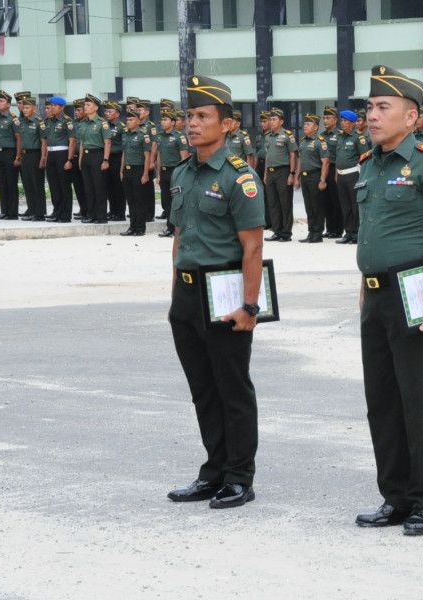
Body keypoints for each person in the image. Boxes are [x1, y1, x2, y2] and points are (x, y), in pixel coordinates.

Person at [354, 65, 423, 536]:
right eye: (370, 108)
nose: (372, 116)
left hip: (415, 292)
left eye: (383, 108)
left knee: (419, 401)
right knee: (382, 400)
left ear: (412, 116)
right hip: (375, 295)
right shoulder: (368, 164)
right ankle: (394, 497)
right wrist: (363, 292)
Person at [166, 74, 265, 510]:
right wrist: (174, 295)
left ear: (227, 125)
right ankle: (213, 471)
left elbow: (253, 246)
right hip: (187, 295)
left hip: (223, 292)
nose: (192, 123)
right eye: (189, 115)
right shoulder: (182, 173)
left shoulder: (239, 178)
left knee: (232, 388)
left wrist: (249, 305)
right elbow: (179, 235)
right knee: (203, 389)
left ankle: (239, 477)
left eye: (203, 116)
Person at [334, 109, 370, 244]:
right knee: (345, 206)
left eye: (345, 121)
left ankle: (356, 233)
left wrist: (363, 177)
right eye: (342, 120)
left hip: (354, 175)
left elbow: (365, 158)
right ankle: (348, 232)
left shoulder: (358, 138)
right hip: (342, 176)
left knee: (355, 206)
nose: (342, 123)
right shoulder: (340, 137)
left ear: (353, 123)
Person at [262, 107, 297, 243]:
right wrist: (265, 174)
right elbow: (267, 157)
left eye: (274, 119)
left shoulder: (287, 135)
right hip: (270, 172)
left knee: (285, 203)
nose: (271, 122)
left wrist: (292, 173)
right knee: (273, 203)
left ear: (281, 121)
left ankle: (286, 233)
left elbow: (293, 155)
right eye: (270, 119)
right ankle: (276, 231)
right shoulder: (268, 137)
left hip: (283, 171)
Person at [295, 113, 330, 243]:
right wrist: (296, 178)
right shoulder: (303, 141)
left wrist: (322, 180)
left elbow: (325, 162)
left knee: (317, 207)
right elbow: (300, 161)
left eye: (308, 124)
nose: (305, 126)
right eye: (304, 124)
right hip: (304, 177)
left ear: (315, 127)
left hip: (315, 176)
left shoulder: (320, 142)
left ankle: (318, 233)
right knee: (308, 206)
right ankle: (311, 232)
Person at [78, 94, 112, 224]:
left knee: (99, 187)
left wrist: (105, 160)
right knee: (88, 187)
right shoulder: (84, 123)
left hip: (97, 155)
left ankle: (101, 216)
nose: (85, 107)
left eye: (88, 105)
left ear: (96, 107)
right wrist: (81, 158)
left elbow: (107, 142)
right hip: (86, 156)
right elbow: (82, 142)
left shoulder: (102, 123)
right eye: (85, 105)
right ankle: (91, 215)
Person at [156, 110, 190, 237]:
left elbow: (184, 157)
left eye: (165, 120)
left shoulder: (179, 137)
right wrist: (158, 175)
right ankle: (170, 227)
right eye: (162, 120)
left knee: (176, 201)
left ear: (173, 122)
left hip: (175, 171)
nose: (163, 123)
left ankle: (174, 228)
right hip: (164, 172)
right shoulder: (160, 136)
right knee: (165, 201)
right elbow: (159, 156)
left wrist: (182, 175)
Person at [43, 96, 76, 223]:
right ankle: (57, 212)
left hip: (62, 154)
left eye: (55, 106)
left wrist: (69, 159)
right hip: (51, 154)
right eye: (51, 106)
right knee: (54, 185)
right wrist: (45, 157)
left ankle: (66, 214)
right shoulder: (49, 121)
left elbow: (72, 141)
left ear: (62, 107)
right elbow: (46, 141)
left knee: (64, 185)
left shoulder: (67, 121)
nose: (52, 108)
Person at [120, 108, 151, 236]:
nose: (128, 122)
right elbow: (123, 154)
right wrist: (121, 170)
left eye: (131, 119)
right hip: (127, 170)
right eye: (127, 119)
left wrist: (145, 174)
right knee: (130, 200)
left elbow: (147, 156)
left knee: (139, 200)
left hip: (138, 169)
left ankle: (140, 227)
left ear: (138, 121)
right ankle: (132, 226)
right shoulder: (125, 134)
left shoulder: (143, 135)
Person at [16, 96, 48, 221]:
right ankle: (32, 210)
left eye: (27, 107)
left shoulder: (39, 122)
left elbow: (44, 141)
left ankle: (39, 213)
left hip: (36, 154)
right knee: (28, 184)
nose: (25, 110)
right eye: (23, 108)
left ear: (34, 108)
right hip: (25, 155)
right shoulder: (22, 122)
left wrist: (43, 157)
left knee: (37, 184)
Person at [0, 91, 22, 220]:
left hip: (11, 152)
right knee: (2, 183)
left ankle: (13, 212)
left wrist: (18, 157)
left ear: (8, 104)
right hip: (0, 152)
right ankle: (4, 211)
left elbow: (19, 139)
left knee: (11, 183)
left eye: (1, 101)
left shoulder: (13, 119)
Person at [321, 106, 344, 238]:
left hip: (335, 168)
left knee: (336, 200)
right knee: (326, 201)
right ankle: (329, 228)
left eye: (328, 118)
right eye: (324, 118)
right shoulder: (322, 136)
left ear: (335, 120)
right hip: (324, 169)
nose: (325, 121)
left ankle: (338, 229)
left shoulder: (340, 135)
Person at [103, 101, 127, 221]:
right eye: (106, 111)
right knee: (109, 186)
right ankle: (112, 210)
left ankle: (120, 213)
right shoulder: (104, 126)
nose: (107, 114)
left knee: (118, 187)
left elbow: (124, 147)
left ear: (117, 114)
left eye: (110, 111)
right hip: (106, 158)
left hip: (117, 158)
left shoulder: (122, 127)